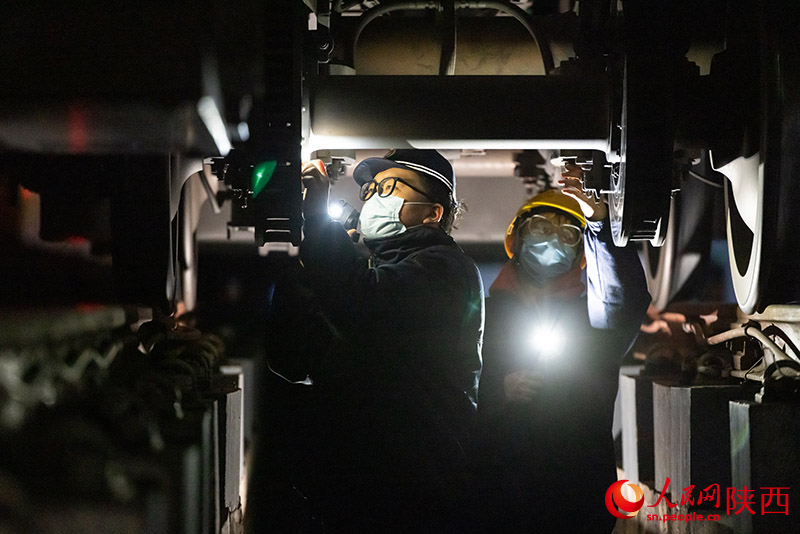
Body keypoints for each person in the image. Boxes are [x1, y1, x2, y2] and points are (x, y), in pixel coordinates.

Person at [285, 149, 484, 532]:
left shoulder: (445, 269)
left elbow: (363, 308)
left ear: (432, 212)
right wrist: (310, 268)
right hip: (353, 498)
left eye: (390, 186)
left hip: (410, 499)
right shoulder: (372, 274)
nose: (375, 196)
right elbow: (293, 358)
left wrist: (321, 234)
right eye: (371, 189)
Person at [471, 165, 650, 533]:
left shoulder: (594, 322)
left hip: (576, 505)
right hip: (498, 503)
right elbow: (449, 392)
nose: (553, 240)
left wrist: (600, 225)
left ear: (581, 254)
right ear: (517, 239)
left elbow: (623, 297)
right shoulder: (482, 317)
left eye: (568, 234)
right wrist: (498, 391)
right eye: (540, 227)